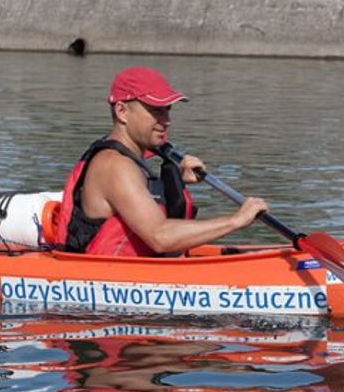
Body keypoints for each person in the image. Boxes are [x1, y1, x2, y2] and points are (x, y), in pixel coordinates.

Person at [53, 66, 269, 256]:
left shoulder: (130, 160)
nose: (166, 121)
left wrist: (177, 182)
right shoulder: (114, 165)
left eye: (167, 110)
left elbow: (142, 209)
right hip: (107, 281)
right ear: (122, 111)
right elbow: (159, 237)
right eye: (156, 110)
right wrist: (236, 220)